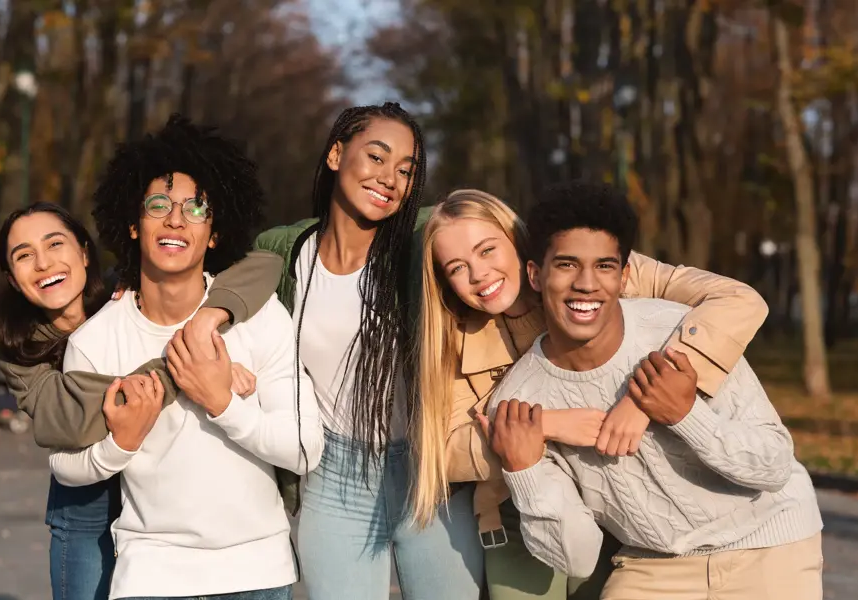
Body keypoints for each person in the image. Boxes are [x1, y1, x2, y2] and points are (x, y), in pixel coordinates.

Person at [413, 189, 771, 600]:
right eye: (458, 267)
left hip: (617, 500)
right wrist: (546, 425)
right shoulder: (451, 338)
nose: (479, 274)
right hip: (522, 503)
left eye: (487, 250)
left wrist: (645, 398)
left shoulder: (601, 272)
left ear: (518, 243)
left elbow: (738, 301)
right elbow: (442, 450)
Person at [485, 181, 823, 600]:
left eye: (605, 266)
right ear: (536, 275)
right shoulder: (520, 401)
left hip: (770, 545)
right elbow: (577, 559)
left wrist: (687, 416)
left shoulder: (678, 331)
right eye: (567, 265)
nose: (587, 284)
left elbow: (773, 465)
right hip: (652, 566)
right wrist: (527, 472)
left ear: (624, 275)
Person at [47, 115, 323, 600]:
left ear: (215, 234)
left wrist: (223, 403)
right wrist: (122, 443)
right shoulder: (94, 340)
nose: (177, 219)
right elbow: (66, 464)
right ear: (133, 225)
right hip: (151, 574)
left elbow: (304, 447)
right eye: (160, 204)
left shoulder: (259, 316)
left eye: (197, 208)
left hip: (256, 573)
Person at [0, 196, 282, 600]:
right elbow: (70, 419)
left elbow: (263, 264)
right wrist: (194, 368)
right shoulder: (19, 349)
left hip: (160, 496)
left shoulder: (133, 291)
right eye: (24, 255)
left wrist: (206, 322)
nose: (43, 263)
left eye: (55, 244)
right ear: (10, 277)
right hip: (86, 501)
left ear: (84, 251)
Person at [254, 102, 484, 599]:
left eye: (406, 170)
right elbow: (220, 278)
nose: (390, 179)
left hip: (431, 472)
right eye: (377, 157)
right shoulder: (285, 251)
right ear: (336, 154)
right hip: (335, 476)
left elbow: (491, 238)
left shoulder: (420, 244)